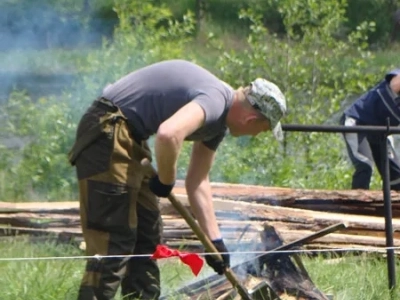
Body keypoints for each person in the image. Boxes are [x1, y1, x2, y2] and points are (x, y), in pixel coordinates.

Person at [68, 59, 287, 300]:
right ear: (252, 120)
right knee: (114, 242)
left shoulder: (218, 122)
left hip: (130, 136)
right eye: (263, 129)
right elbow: (168, 134)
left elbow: (198, 181)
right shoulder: (215, 100)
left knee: (146, 238)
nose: (257, 134)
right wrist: (166, 179)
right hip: (108, 129)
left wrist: (215, 242)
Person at [340, 68, 400, 190]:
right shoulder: (396, 79)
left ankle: (392, 206)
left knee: (395, 171)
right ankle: (357, 206)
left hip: (379, 130)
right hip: (357, 122)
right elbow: (395, 82)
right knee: (365, 164)